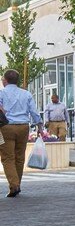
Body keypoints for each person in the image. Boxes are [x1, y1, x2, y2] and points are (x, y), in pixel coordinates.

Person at [0, 70, 43, 198]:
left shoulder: (1, 93)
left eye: (2, 78)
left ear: (5, 80)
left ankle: (14, 186)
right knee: (19, 157)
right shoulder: (26, 94)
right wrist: (39, 126)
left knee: (7, 157)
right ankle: (17, 183)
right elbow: (34, 112)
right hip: (23, 127)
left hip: (5, 127)